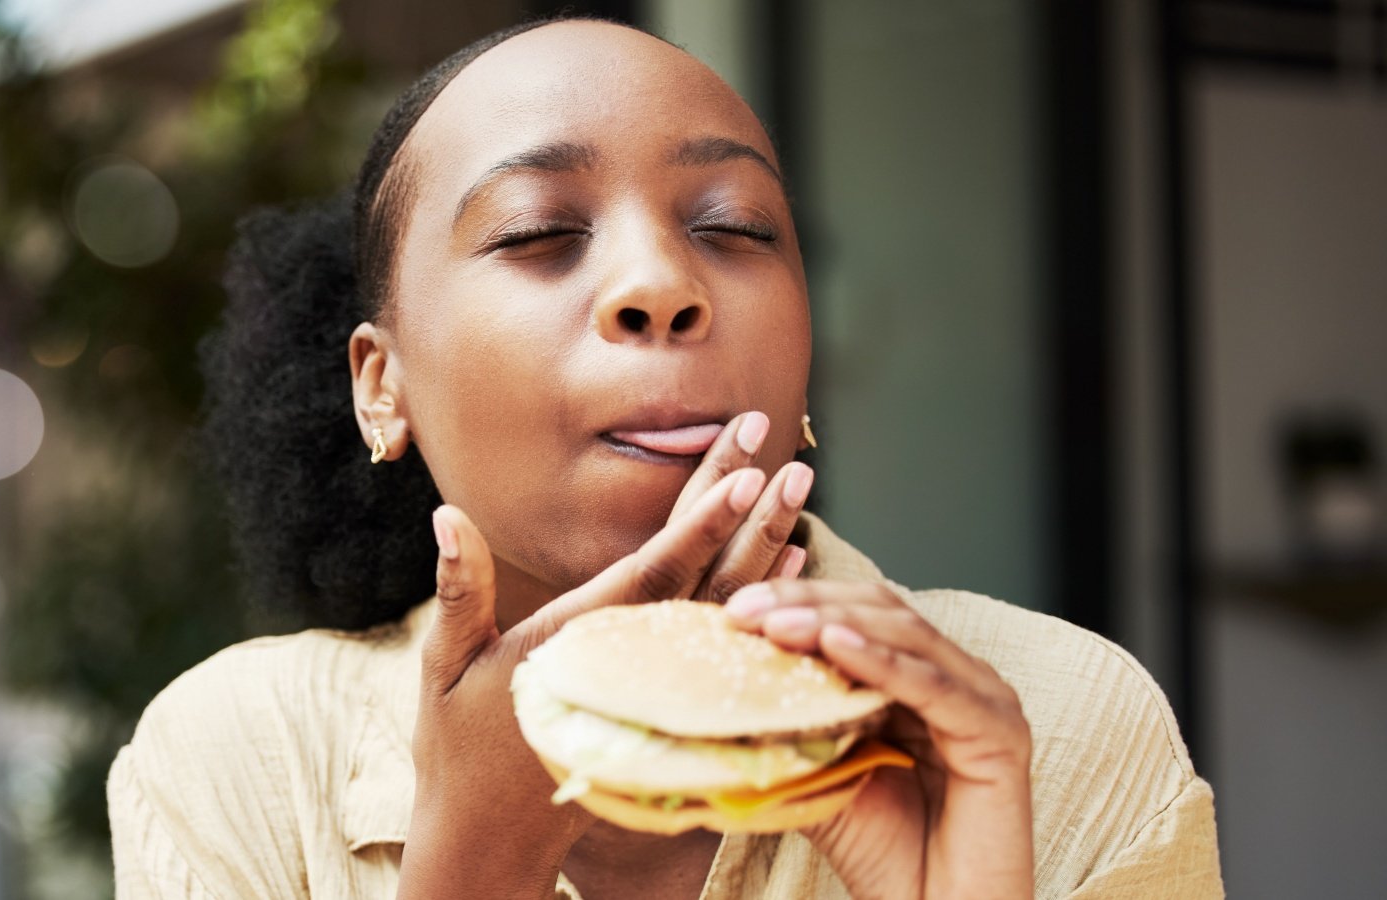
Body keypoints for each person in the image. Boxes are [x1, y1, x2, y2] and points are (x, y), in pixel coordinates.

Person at [107, 16, 1223, 899]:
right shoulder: (235, 762)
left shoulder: (1059, 720)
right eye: (539, 231)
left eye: (734, 227)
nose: (662, 287)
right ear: (380, 386)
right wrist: (478, 865)